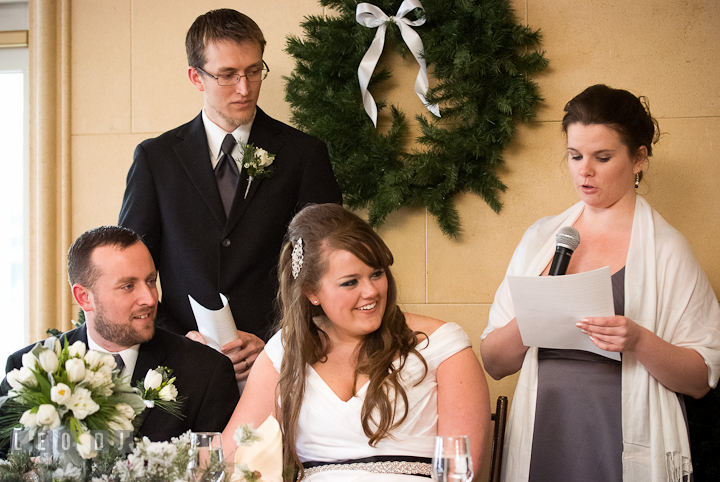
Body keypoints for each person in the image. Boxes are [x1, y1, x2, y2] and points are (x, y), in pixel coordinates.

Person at [480, 84, 720, 482]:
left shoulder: (668, 250)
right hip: (544, 430)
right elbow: (494, 363)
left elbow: (700, 379)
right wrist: (535, 315)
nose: (584, 171)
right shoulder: (542, 240)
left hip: (621, 437)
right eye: (575, 156)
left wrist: (639, 340)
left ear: (639, 158)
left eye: (602, 157)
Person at [118, 9, 342, 383]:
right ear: (196, 77)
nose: (245, 87)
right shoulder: (156, 159)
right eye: (227, 75)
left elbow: (323, 262)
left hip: (281, 363)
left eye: (254, 71)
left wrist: (277, 338)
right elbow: (132, 267)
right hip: (182, 369)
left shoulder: (304, 154)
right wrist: (178, 338)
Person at [221, 204, 490, 481]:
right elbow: (227, 458)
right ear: (311, 291)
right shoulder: (287, 349)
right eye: (350, 282)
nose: (371, 291)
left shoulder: (442, 345)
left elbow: (460, 473)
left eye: (377, 273)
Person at [0, 226, 240, 443]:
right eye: (128, 286)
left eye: (151, 281)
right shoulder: (27, 369)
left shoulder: (206, 372)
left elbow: (219, 470)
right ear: (84, 297)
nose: (149, 298)